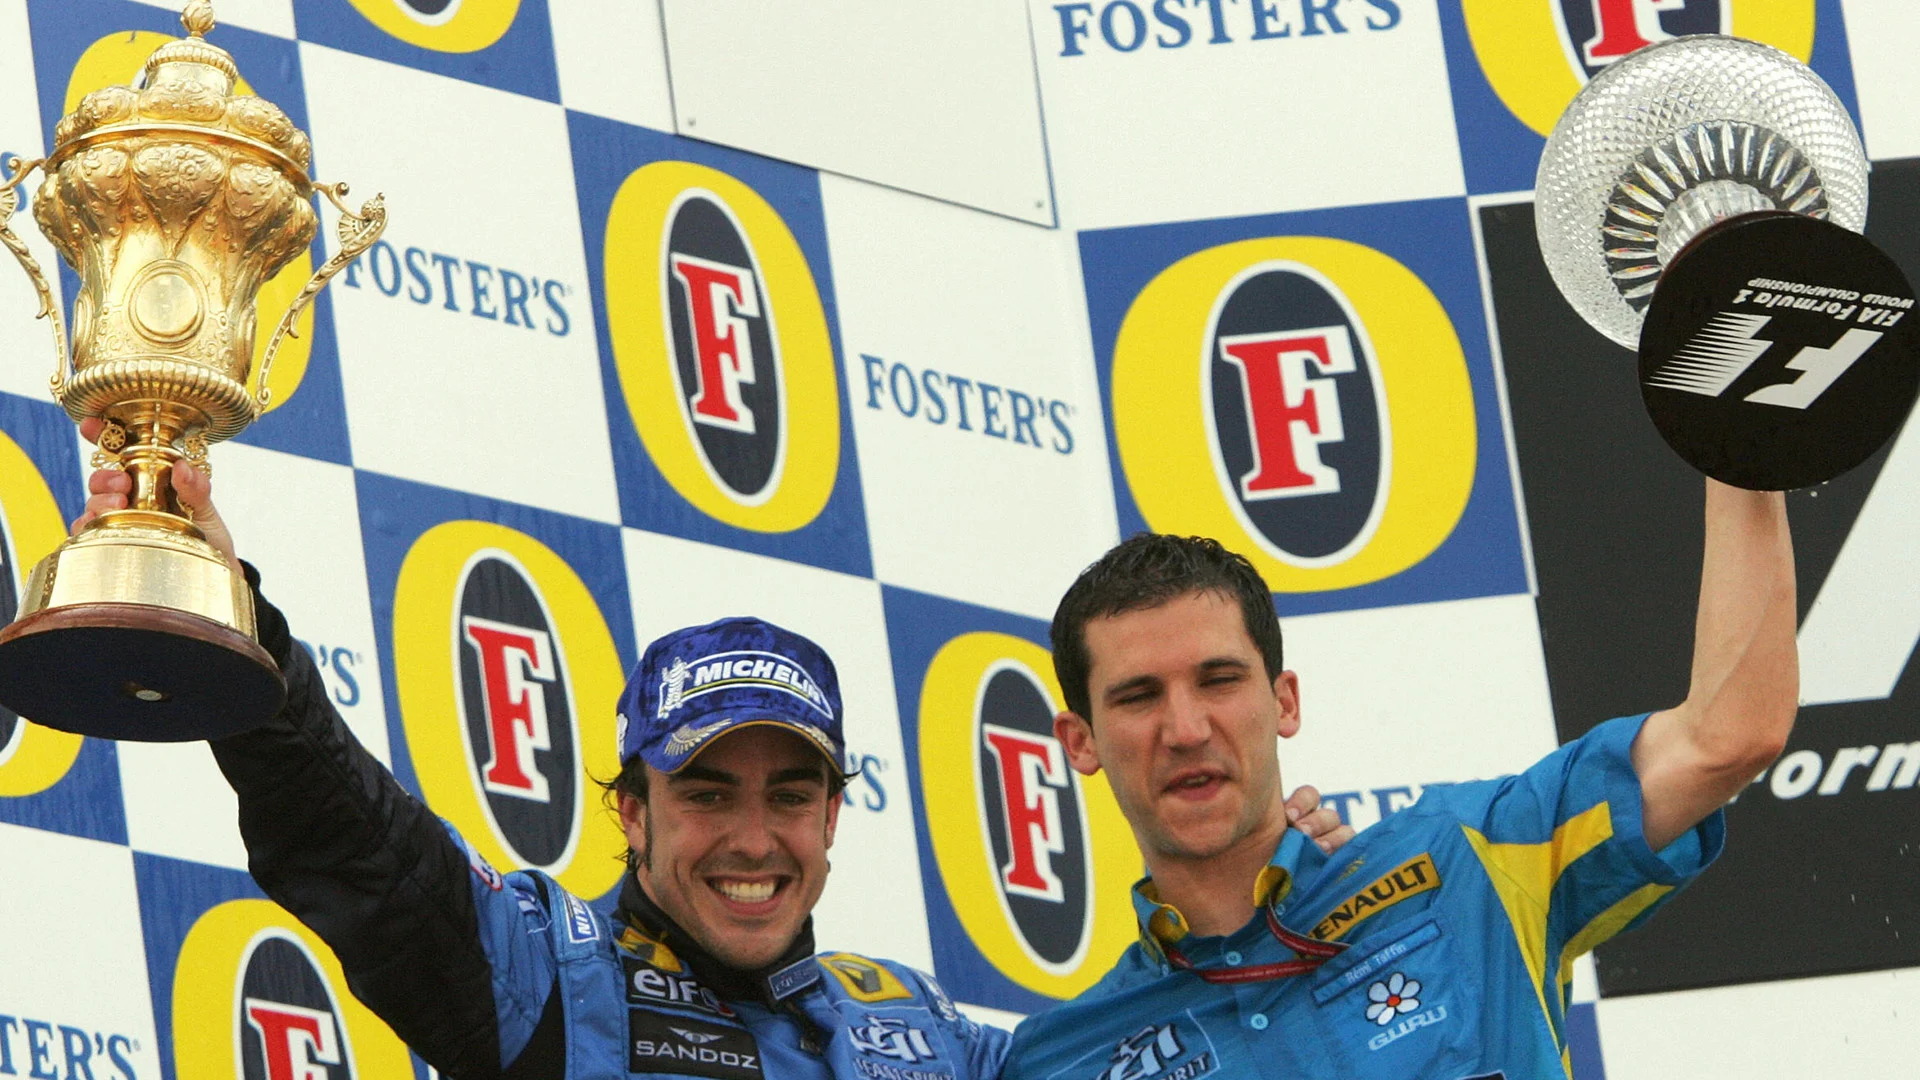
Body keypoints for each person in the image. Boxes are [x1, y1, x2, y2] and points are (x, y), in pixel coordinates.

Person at [71, 455, 1354, 1080]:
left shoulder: (920, 1034)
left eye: (789, 794)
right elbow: (355, 843)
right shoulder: (551, 975)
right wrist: (228, 610)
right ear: (631, 814)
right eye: (705, 792)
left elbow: (1165, 1052)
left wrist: (1291, 918)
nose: (753, 837)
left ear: (835, 817)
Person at [1001, 481, 1796, 1080]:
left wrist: (1741, 451)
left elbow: (1728, 736)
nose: (1185, 729)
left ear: (1284, 702)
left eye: (1220, 680)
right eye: (1138, 697)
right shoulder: (1059, 1060)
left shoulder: (1467, 859)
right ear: (1080, 741)